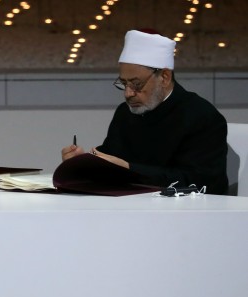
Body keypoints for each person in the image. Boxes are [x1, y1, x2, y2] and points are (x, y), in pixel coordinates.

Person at [61, 30, 228, 194]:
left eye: (136, 84)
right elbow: (111, 159)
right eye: (124, 83)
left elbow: (199, 182)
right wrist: (84, 164)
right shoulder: (125, 113)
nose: (128, 93)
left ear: (164, 77)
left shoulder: (202, 117)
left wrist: (129, 169)